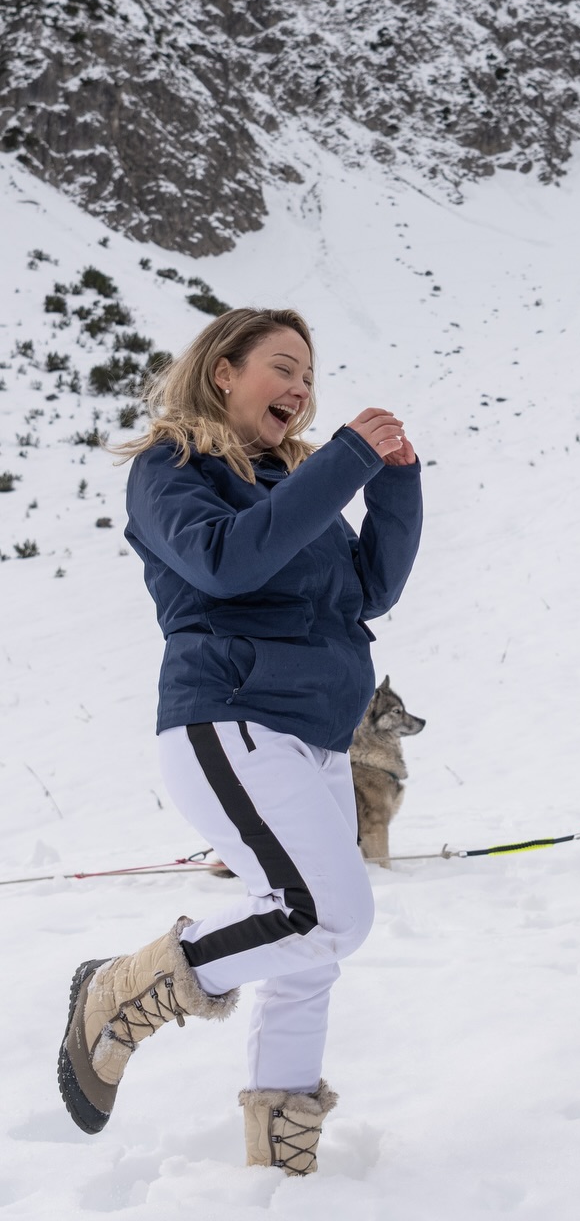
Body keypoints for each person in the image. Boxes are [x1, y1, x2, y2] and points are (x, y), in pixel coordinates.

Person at [58, 308, 423, 1177]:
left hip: (318, 740)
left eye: (309, 378)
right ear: (225, 372)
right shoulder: (172, 468)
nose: (300, 390)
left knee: (309, 952)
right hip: (230, 717)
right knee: (324, 913)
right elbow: (225, 565)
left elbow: (368, 591)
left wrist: (396, 483)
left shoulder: (291, 487)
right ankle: (122, 990)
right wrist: (346, 459)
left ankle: (280, 1158)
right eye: (283, 369)